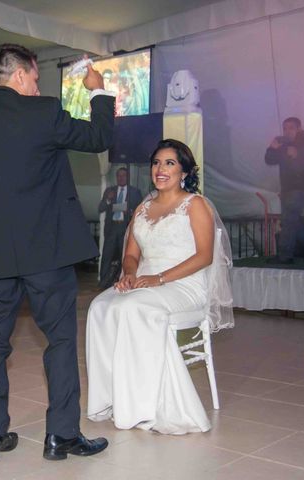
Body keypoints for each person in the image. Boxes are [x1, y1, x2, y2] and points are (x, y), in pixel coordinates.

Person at [0, 44, 115, 463]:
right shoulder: (45, 113)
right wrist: (98, 92)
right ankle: (62, 437)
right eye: (35, 78)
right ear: (19, 75)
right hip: (46, 251)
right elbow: (100, 137)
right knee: (59, 339)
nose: (37, 86)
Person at [86, 139, 234, 435]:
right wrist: (129, 274)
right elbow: (131, 254)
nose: (160, 169)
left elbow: (204, 256)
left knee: (132, 307)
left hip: (183, 285)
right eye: (156, 162)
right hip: (143, 281)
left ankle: (144, 404)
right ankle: (112, 399)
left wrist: (160, 278)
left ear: (184, 171)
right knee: (99, 307)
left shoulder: (196, 205)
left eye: (169, 163)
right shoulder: (143, 207)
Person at [265, 117, 304, 263]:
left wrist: (298, 155)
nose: (287, 131)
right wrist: (271, 148)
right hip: (287, 188)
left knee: (288, 220)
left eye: (291, 128)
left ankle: (285, 256)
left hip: (302, 188)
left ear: (299, 128)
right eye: (285, 128)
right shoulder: (282, 143)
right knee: (290, 222)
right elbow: (269, 160)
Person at [98, 167, 143, 288]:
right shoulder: (110, 190)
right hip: (112, 229)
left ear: (128, 178)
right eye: (119, 176)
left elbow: (140, 211)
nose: (121, 178)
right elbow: (100, 208)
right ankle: (103, 283)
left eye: (124, 176)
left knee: (125, 256)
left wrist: (130, 211)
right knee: (107, 256)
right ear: (116, 177)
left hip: (126, 228)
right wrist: (108, 199)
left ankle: (124, 281)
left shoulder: (135, 192)